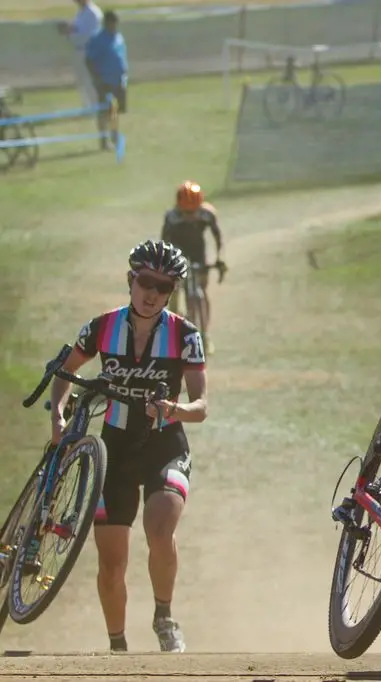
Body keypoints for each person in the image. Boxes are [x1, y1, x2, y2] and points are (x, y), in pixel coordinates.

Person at [48, 239, 207, 653]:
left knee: (160, 527)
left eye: (164, 286)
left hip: (163, 445)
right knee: (112, 561)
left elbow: (201, 406)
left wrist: (174, 407)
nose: (152, 293)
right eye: (146, 282)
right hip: (113, 450)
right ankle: (118, 648)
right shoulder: (102, 327)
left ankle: (164, 615)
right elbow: (65, 373)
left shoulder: (185, 335)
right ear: (130, 280)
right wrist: (58, 417)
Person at [161, 180, 226, 354]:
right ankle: (173, 324)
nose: (190, 215)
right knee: (174, 290)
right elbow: (164, 243)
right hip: (177, 253)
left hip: (198, 253)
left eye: (194, 211)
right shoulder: (171, 217)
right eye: (186, 212)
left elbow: (219, 239)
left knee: (201, 290)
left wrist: (220, 259)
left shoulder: (207, 214)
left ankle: (205, 335)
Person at [85, 10, 127, 151]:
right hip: (104, 81)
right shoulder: (98, 39)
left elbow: (121, 54)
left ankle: (114, 136)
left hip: (118, 80)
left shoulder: (118, 37)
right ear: (108, 22)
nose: (116, 25)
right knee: (104, 111)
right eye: (114, 22)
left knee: (114, 110)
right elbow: (89, 59)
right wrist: (96, 78)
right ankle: (103, 140)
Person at [58, 0, 103, 110]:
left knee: (89, 79)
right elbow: (79, 29)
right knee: (81, 80)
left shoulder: (92, 13)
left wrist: (70, 33)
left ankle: (95, 106)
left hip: (88, 50)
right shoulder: (81, 12)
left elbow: (88, 35)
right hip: (78, 49)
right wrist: (70, 29)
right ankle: (87, 106)